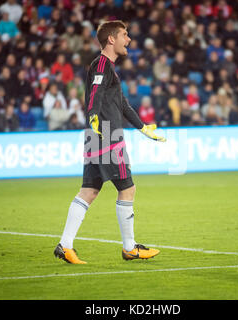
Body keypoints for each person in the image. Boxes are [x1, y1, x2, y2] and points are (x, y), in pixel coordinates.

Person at [54, 20, 166, 265]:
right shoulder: (102, 65)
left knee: (89, 191)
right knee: (127, 188)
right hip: (107, 135)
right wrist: (93, 115)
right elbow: (94, 94)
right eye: (125, 35)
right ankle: (129, 248)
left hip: (97, 134)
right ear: (111, 39)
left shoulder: (107, 68)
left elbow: (123, 105)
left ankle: (65, 245)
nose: (129, 40)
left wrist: (143, 127)